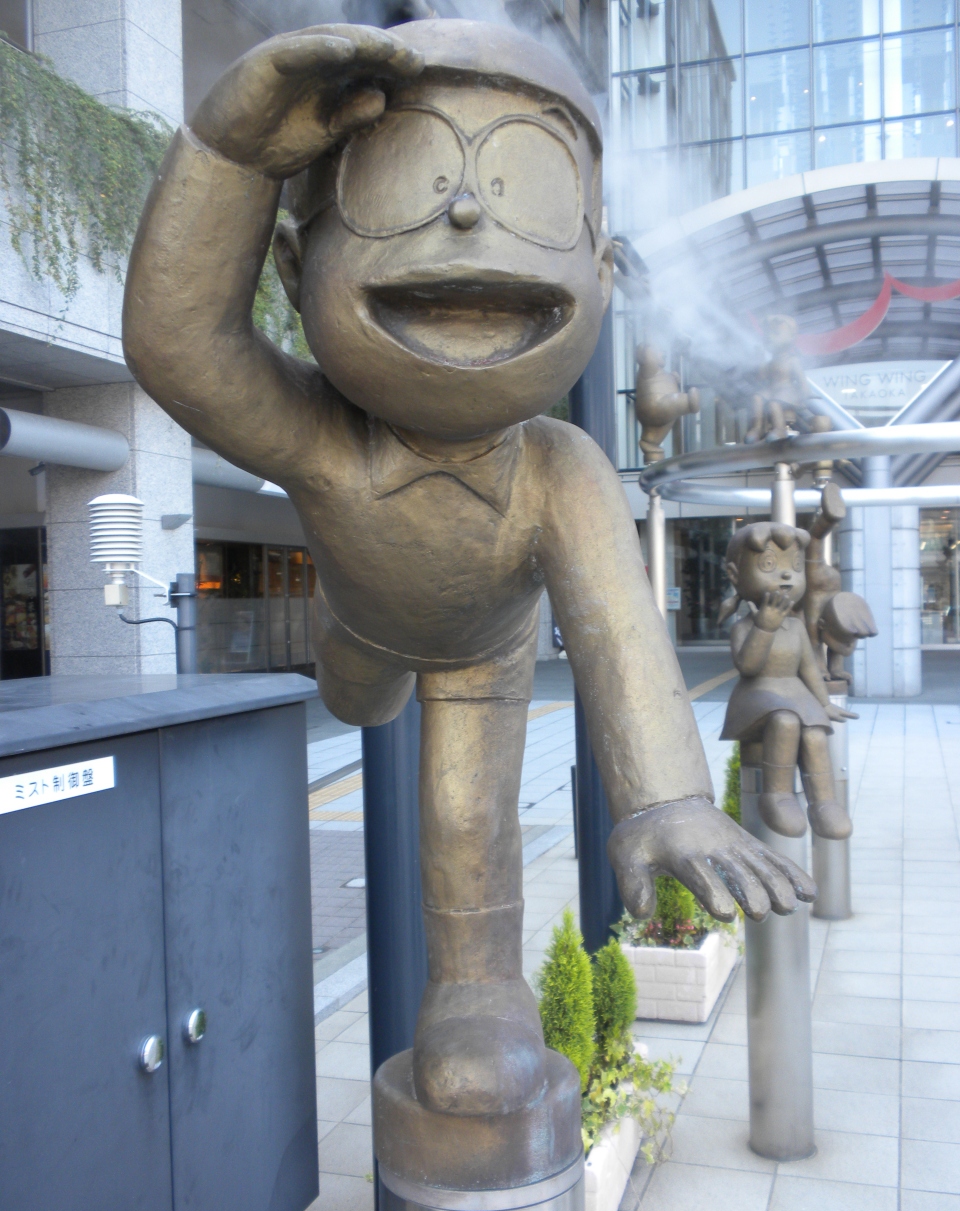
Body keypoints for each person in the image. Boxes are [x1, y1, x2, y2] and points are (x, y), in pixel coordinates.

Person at [124, 19, 815, 1118]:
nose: (462, 215)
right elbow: (180, 345)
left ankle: (478, 987)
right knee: (358, 692)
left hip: (483, 655)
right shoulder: (318, 428)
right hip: (355, 630)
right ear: (296, 267)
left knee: (464, 817)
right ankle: (360, 666)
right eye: (411, 184)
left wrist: (668, 800)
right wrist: (230, 152)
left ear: (598, 276)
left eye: (522, 189)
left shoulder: (561, 466)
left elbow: (620, 624)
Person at [720, 521, 856, 840]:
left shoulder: (795, 628)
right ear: (735, 575)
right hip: (758, 697)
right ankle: (777, 795)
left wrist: (824, 704)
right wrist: (765, 627)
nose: (786, 575)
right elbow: (749, 667)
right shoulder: (743, 627)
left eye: (795, 566)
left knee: (815, 733)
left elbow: (809, 668)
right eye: (769, 564)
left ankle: (824, 802)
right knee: (785, 721)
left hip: (794, 693)